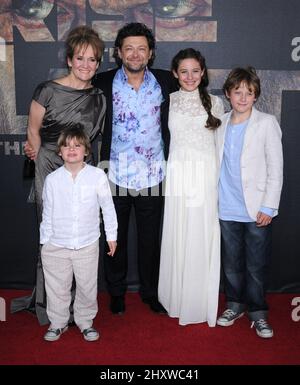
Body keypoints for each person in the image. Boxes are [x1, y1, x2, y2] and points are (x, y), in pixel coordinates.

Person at [11, 25, 106, 325]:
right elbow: (33, 131)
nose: (86, 65)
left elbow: (97, 139)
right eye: (80, 58)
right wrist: (35, 154)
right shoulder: (47, 89)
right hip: (50, 166)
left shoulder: (98, 97)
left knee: (81, 232)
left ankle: (80, 305)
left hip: (83, 170)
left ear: (98, 64)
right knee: (51, 235)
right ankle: (49, 304)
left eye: (92, 60)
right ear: (69, 60)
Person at [93, 22, 177, 315]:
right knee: (114, 238)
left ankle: (150, 293)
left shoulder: (167, 82)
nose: (135, 53)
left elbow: (196, 99)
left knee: (150, 240)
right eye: (129, 48)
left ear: (151, 53)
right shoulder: (101, 83)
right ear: (118, 52)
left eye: (141, 48)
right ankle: (116, 293)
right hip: (113, 173)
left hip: (153, 175)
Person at [215, 67, 283, 338]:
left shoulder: (266, 123)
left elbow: (275, 168)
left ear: (256, 96)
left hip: (257, 209)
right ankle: (234, 305)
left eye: (249, 93)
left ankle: (258, 313)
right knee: (231, 264)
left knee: (255, 266)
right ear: (228, 94)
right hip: (226, 207)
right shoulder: (218, 123)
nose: (243, 97)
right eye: (237, 92)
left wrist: (269, 206)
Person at [158, 48, 224, 326]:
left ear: (203, 72)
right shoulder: (168, 102)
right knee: (179, 232)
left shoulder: (217, 103)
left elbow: (221, 146)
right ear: (175, 74)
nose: (189, 76)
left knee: (201, 234)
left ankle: (198, 302)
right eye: (183, 71)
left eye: (195, 70)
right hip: (178, 176)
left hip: (206, 177)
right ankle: (176, 298)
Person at [40, 125, 117, 342]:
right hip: (56, 244)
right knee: (57, 287)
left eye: (77, 145)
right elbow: (47, 213)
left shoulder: (97, 176)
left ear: (86, 150)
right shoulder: (52, 180)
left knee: (87, 286)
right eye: (66, 146)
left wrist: (112, 236)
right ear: (59, 152)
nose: (71, 150)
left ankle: (85, 322)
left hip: (87, 243)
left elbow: (107, 208)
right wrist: (45, 242)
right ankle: (58, 323)